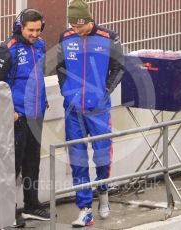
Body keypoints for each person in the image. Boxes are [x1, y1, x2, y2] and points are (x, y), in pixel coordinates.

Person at [56, 0, 124, 227]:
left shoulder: (109, 37)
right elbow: (60, 66)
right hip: (73, 110)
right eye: (73, 27)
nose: (75, 31)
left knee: (102, 156)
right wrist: (66, 91)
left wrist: (104, 90)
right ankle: (84, 209)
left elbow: (119, 67)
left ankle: (103, 190)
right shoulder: (66, 38)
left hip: (98, 109)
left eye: (79, 27)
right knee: (78, 160)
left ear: (88, 20)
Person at [0, 8, 50, 228]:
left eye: (37, 29)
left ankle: (32, 205)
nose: (35, 34)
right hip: (17, 118)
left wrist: (43, 102)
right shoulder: (7, 50)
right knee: (11, 167)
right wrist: (10, 112)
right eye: (30, 30)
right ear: (20, 27)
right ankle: (7, 212)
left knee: (33, 162)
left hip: (36, 115)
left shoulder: (40, 45)